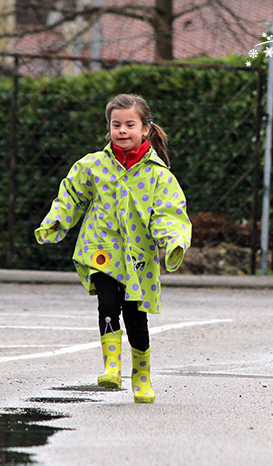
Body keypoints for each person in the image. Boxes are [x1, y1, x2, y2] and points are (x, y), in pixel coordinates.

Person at [35, 94, 191, 404]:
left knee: (136, 317)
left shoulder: (158, 175)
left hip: (137, 258)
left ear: (145, 129)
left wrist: (173, 242)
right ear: (108, 128)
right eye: (115, 124)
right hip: (101, 251)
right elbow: (71, 195)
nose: (122, 130)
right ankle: (111, 366)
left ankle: (142, 376)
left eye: (130, 124)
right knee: (107, 304)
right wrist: (56, 221)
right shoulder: (92, 165)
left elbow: (169, 212)